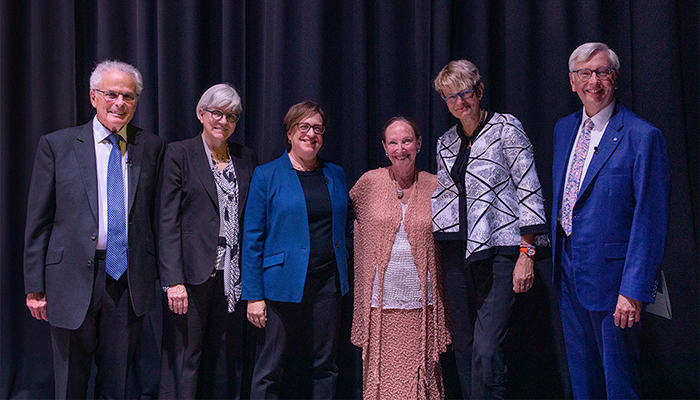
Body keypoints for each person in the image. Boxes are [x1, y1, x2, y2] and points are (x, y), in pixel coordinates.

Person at [23, 60, 165, 398]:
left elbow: (157, 217)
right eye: (111, 94)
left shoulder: (152, 147)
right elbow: (38, 221)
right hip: (70, 278)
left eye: (128, 96)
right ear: (93, 97)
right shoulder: (57, 145)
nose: (120, 103)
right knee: (71, 379)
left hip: (126, 280)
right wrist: (35, 286)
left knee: (116, 382)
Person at [551, 42, 670, 399]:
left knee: (619, 382)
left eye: (602, 72)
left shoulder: (642, 136)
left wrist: (633, 290)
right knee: (582, 379)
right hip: (569, 272)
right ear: (573, 82)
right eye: (584, 73)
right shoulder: (563, 129)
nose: (594, 81)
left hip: (614, 280)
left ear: (614, 79)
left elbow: (651, 220)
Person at [432, 59, 549, 399]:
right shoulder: (445, 143)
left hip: (501, 249)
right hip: (457, 253)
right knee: (465, 348)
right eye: (450, 96)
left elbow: (529, 188)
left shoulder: (506, 129)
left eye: (465, 93)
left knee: (487, 350)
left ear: (479, 91)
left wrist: (527, 252)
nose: (459, 102)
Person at [241, 100, 352, 399]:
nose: (311, 133)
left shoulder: (336, 173)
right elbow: (252, 238)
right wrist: (253, 295)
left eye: (317, 128)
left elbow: (348, 224)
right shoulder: (267, 175)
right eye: (304, 127)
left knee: (325, 366)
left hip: (328, 284)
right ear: (290, 133)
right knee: (270, 369)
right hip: (280, 286)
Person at [157, 83, 258, 399]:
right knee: (187, 356)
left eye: (231, 116)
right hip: (191, 275)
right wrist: (173, 280)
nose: (223, 121)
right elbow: (166, 221)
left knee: (224, 356)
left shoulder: (246, 158)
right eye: (216, 113)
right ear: (201, 114)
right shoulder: (179, 153)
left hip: (233, 276)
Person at [350, 117, 451, 399]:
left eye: (406, 141)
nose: (400, 148)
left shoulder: (436, 185)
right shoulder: (369, 183)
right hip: (379, 307)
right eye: (393, 142)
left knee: (423, 379)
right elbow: (345, 220)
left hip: (423, 306)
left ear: (418, 144)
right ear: (384, 147)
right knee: (382, 382)